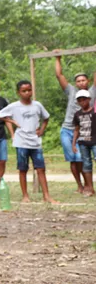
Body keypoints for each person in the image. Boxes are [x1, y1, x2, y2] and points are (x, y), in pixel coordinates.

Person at [0, 80, 58, 204]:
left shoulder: (37, 105)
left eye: (29, 90)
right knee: (23, 169)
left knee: (40, 169)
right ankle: (25, 195)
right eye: (24, 91)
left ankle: (46, 196)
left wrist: (41, 130)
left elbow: (46, 118)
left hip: (35, 142)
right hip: (21, 142)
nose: (27, 93)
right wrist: (12, 122)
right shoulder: (14, 106)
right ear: (19, 92)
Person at [54, 57, 96, 194]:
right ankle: (80, 185)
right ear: (75, 83)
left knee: (82, 159)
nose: (81, 82)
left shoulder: (92, 92)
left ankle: (88, 185)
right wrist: (58, 58)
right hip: (67, 130)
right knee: (73, 159)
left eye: (83, 80)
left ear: (87, 81)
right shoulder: (71, 91)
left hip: (85, 131)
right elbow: (59, 75)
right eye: (78, 81)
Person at [71, 90, 95, 197]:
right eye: (80, 100)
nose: (82, 102)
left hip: (94, 141)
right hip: (83, 143)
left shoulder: (94, 112)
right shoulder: (77, 114)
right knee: (86, 164)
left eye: (84, 99)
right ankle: (90, 188)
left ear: (89, 99)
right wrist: (73, 143)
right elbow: (76, 129)